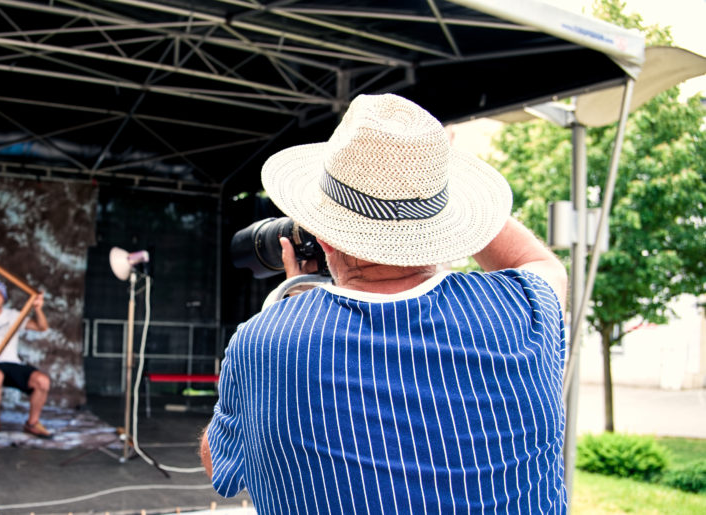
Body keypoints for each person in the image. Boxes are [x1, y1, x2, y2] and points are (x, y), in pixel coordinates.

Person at [200, 94, 568, 513]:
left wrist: (295, 300)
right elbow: (539, 261)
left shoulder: (266, 343)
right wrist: (434, 189)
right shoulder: (522, 311)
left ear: (324, 237)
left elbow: (220, 465)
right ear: (447, 227)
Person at [0, 277, 53, 443]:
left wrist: (38, 309)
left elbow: (42, 327)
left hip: (13, 364)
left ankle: (32, 423)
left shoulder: (14, 315)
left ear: (4, 297)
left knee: (43, 381)